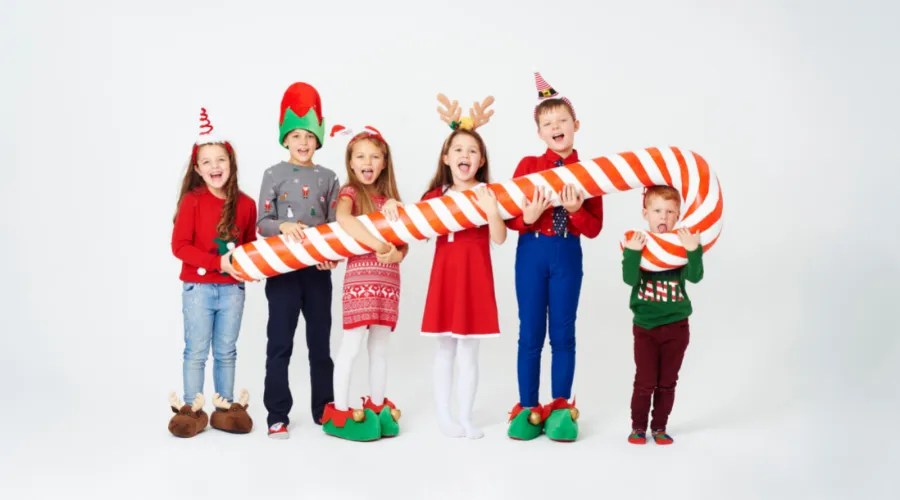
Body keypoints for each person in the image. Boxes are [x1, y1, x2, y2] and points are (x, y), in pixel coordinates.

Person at [505, 72, 603, 442]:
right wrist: (526, 218)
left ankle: (561, 407)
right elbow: (510, 215)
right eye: (548, 123)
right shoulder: (528, 166)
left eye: (562, 120)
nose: (556, 127)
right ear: (539, 132)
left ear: (575, 125)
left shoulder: (591, 173)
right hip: (532, 252)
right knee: (530, 331)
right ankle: (528, 407)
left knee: (563, 332)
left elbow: (594, 228)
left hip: (567, 254)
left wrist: (576, 211)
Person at [258, 82, 340, 439]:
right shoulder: (273, 174)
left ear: (318, 138)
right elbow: (262, 222)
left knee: (320, 345)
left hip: (317, 273)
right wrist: (282, 225)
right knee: (280, 344)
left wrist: (332, 257)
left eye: (309, 135)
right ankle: (277, 414)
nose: (303, 142)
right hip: (282, 273)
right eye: (296, 135)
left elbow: (337, 226)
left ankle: (325, 409)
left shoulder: (329, 177)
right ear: (285, 139)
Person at [169, 107, 256, 437]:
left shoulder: (245, 204)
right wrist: (215, 263)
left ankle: (225, 407)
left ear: (231, 163)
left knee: (226, 350)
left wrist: (252, 268)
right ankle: (191, 408)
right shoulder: (192, 201)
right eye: (207, 162)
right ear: (197, 168)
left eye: (220, 159)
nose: (215, 166)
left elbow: (248, 247)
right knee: (196, 350)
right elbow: (180, 247)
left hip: (232, 290)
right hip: (198, 287)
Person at [622, 185, 703, 446]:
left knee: (667, 382)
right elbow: (629, 278)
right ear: (645, 213)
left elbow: (695, 276)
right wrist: (633, 252)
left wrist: (693, 249)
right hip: (645, 327)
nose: (664, 217)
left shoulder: (680, 245)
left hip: (677, 326)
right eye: (657, 211)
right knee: (645, 381)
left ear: (678, 216)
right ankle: (637, 427)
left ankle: (659, 427)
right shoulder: (638, 242)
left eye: (670, 212)